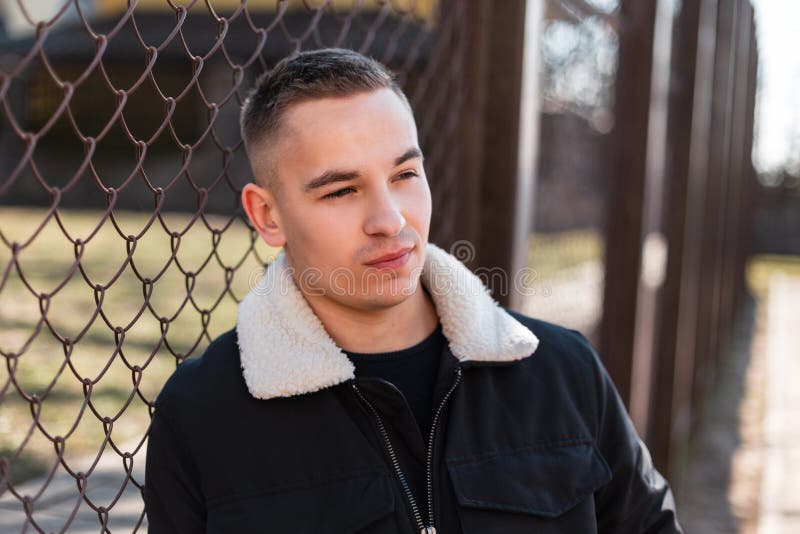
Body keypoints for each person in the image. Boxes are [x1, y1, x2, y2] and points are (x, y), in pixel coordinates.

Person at [143, 48, 683, 533]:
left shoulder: (562, 372)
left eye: (404, 175)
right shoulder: (201, 415)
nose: (389, 219)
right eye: (341, 191)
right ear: (268, 215)